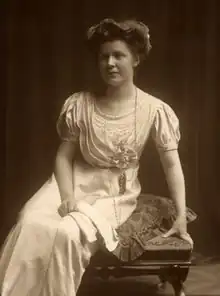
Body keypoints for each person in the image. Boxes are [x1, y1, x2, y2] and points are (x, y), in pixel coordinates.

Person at [0, 18, 193, 296]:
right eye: (105, 57)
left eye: (119, 56)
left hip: (113, 195)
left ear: (136, 60)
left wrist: (181, 219)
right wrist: (67, 196)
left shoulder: (155, 109)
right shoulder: (80, 104)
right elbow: (63, 158)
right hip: (70, 182)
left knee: (67, 234)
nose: (111, 63)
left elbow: (171, 164)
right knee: (29, 220)